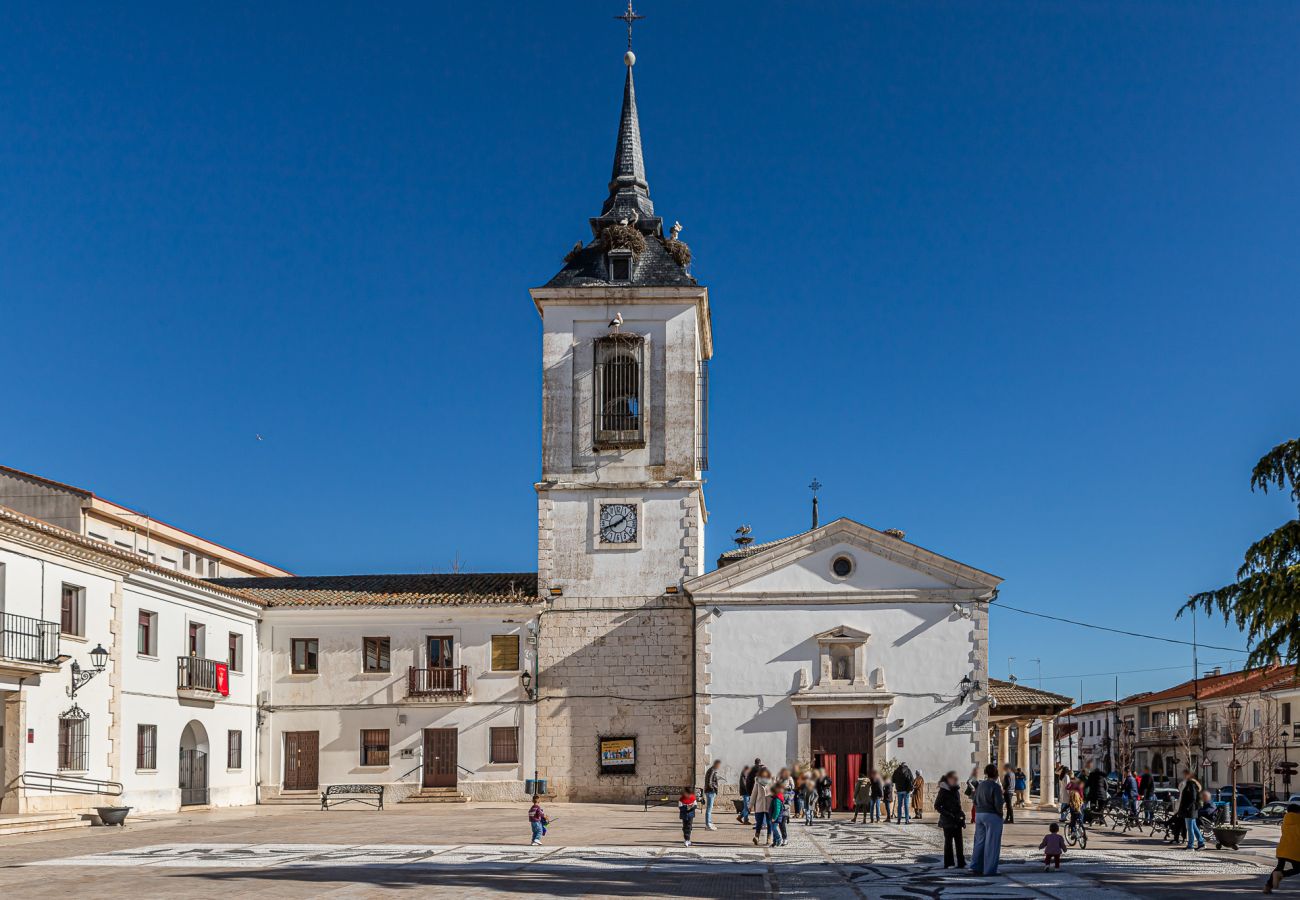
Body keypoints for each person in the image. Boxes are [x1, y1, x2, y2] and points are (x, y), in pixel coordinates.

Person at [970, 764, 1005, 877]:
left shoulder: (980, 785)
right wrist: (1000, 814)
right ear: (996, 774)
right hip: (992, 815)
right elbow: (998, 804)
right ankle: (989, 870)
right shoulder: (995, 787)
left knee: (979, 841)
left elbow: (974, 800)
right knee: (992, 843)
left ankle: (976, 866)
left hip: (979, 814)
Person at [1265, 801, 1300, 893]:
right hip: (1294, 850)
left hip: (1282, 848)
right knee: (1298, 869)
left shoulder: (1285, 821)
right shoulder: (1299, 821)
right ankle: (1282, 874)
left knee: (1279, 867)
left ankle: (1268, 887)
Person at [935, 770, 966, 869]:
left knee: (959, 842)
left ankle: (961, 862)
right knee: (948, 842)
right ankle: (948, 862)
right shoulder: (943, 791)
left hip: (957, 820)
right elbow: (937, 805)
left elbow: (958, 805)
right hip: (947, 820)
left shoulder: (956, 790)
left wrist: (962, 818)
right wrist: (947, 814)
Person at [1177, 768, 1205, 851]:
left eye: (1185, 774)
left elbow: (1192, 797)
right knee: (1193, 826)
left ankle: (1191, 845)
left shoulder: (1190, 784)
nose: (1184, 776)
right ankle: (1201, 843)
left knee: (1190, 828)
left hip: (1190, 810)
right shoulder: (1190, 783)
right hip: (1192, 809)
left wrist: (1187, 807)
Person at [750, 766, 773, 845]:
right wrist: (750, 806)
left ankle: (769, 838)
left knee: (769, 822)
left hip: (769, 805)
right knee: (759, 822)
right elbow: (754, 794)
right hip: (759, 805)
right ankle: (757, 837)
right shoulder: (757, 781)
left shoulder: (772, 781)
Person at [703, 760, 721, 831]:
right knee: (709, 809)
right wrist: (713, 789)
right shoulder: (712, 770)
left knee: (709, 808)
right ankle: (708, 824)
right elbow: (709, 782)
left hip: (709, 791)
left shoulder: (711, 770)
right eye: (719, 765)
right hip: (710, 791)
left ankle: (709, 822)